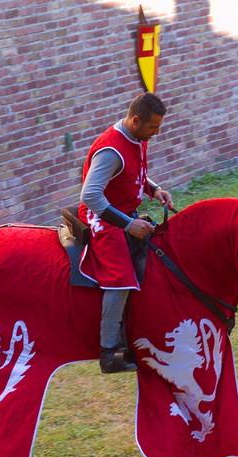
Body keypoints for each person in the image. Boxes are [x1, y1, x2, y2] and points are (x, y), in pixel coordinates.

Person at [77, 93, 174, 373]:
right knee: (119, 279)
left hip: (121, 211)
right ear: (135, 120)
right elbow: (91, 195)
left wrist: (154, 189)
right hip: (101, 216)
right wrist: (127, 224)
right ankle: (109, 353)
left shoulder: (136, 137)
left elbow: (134, 173)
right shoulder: (110, 150)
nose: (156, 133)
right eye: (153, 127)